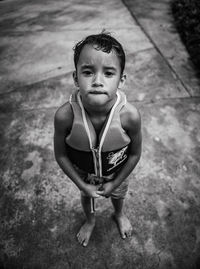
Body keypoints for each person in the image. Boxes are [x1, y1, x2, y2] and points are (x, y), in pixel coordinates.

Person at [54, 32, 142, 247]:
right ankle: (90, 219)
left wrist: (115, 182)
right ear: (76, 77)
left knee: (119, 195)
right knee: (86, 197)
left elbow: (135, 154)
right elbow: (61, 154)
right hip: (83, 173)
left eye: (109, 73)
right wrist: (81, 184)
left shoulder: (130, 116)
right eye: (87, 72)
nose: (97, 81)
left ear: (121, 79)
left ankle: (119, 214)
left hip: (116, 171)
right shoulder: (64, 116)